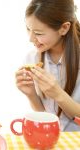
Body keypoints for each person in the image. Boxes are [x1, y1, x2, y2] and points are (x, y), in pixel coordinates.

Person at [15, 0, 80, 131]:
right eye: (28, 29)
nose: (30, 38)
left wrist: (58, 94)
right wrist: (31, 94)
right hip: (51, 137)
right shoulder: (32, 58)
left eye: (38, 33)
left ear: (64, 28)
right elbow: (46, 116)